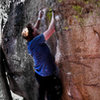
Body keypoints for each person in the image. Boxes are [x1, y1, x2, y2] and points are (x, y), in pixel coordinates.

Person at [21, 8, 62, 100]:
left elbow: (34, 30)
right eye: (34, 29)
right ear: (33, 34)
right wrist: (54, 14)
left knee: (42, 94)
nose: (36, 28)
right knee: (52, 96)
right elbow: (51, 29)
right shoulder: (36, 41)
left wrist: (39, 18)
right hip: (47, 75)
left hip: (39, 74)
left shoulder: (30, 42)